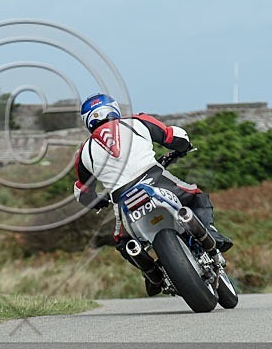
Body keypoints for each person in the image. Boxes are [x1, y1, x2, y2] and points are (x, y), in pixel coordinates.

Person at [73, 93, 233, 296]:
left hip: (123, 200)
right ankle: (211, 232)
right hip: (156, 179)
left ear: (87, 120)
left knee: (123, 242)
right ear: (114, 109)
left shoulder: (83, 153)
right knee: (196, 196)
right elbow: (173, 136)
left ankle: (152, 274)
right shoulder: (137, 122)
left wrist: (98, 201)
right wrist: (183, 147)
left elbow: (82, 192)